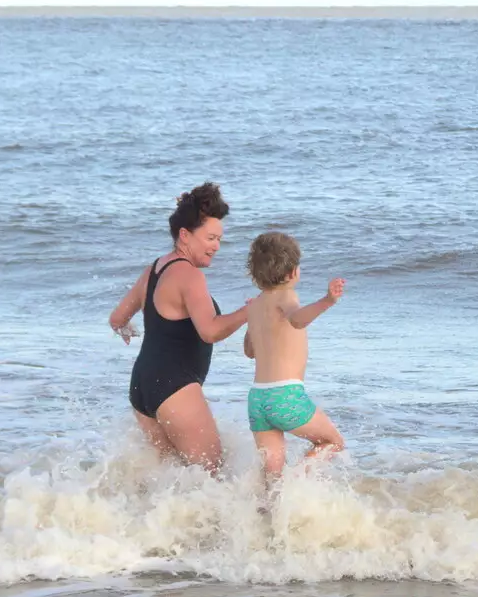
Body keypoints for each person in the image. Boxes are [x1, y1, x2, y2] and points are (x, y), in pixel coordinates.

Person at [109, 184, 250, 473]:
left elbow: (117, 319)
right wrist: (250, 311)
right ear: (185, 235)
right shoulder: (189, 275)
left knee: (172, 482)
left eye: (220, 239)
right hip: (174, 387)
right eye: (210, 238)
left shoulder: (156, 268)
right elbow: (210, 331)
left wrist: (128, 330)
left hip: (142, 386)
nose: (216, 246)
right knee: (212, 476)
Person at [240, 231, 347, 476]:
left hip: (258, 400)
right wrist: (327, 301)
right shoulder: (286, 295)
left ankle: (267, 508)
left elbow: (249, 351)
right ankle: (295, 482)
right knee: (332, 442)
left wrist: (254, 324)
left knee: (271, 473)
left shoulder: (254, 306)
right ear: (292, 272)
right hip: (285, 395)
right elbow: (298, 320)